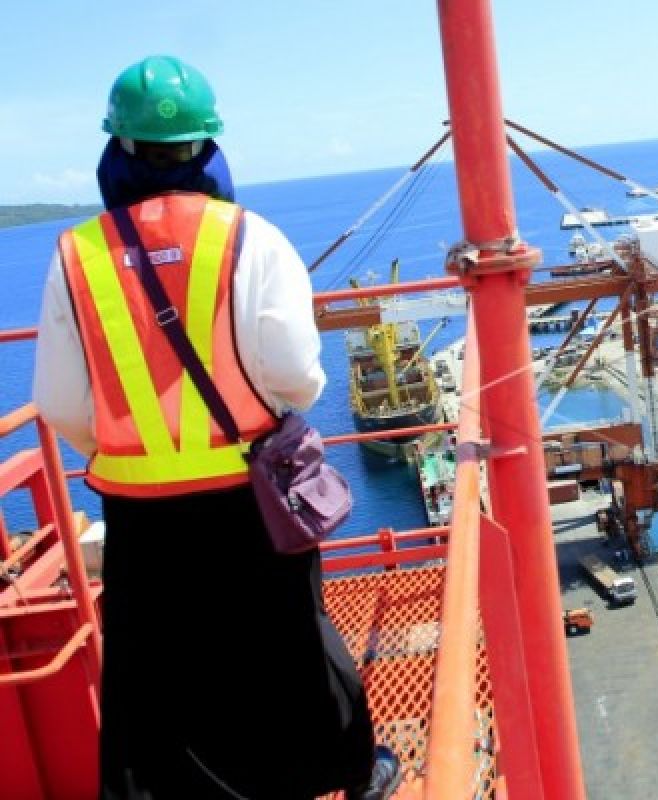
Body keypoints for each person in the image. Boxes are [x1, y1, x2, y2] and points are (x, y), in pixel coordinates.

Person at [33, 55, 399, 799]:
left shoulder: (77, 255)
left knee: (157, 665)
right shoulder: (251, 238)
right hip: (249, 493)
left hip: (138, 511)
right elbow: (297, 374)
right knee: (289, 635)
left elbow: (59, 401)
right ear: (209, 148)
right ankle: (342, 771)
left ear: (116, 152)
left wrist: (122, 454)